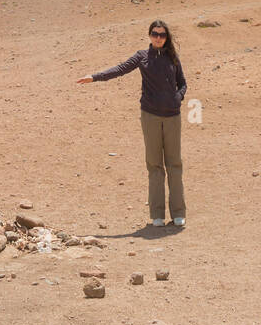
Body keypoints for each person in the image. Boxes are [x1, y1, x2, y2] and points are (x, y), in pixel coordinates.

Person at [77, 20, 187, 228]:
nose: (158, 38)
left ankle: (179, 213)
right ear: (149, 35)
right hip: (150, 116)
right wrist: (94, 77)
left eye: (162, 35)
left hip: (173, 117)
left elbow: (183, 83)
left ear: (166, 37)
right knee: (155, 165)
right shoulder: (142, 56)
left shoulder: (173, 57)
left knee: (174, 164)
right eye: (155, 34)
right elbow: (120, 69)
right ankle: (157, 215)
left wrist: (177, 97)